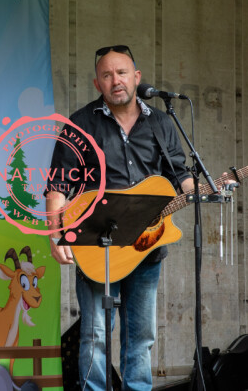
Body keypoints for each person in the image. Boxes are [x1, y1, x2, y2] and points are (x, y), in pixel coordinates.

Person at [46, 45, 196, 390]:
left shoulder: (161, 122)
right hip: (96, 246)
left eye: (122, 73)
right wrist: (55, 234)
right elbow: (58, 185)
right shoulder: (80, 123)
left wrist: (200, 189)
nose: (116, 81)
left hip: (146, 248)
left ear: (137, 77)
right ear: (97, 83)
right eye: (107, 75)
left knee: (141, 337)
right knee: (96, 334)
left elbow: (179, 174)